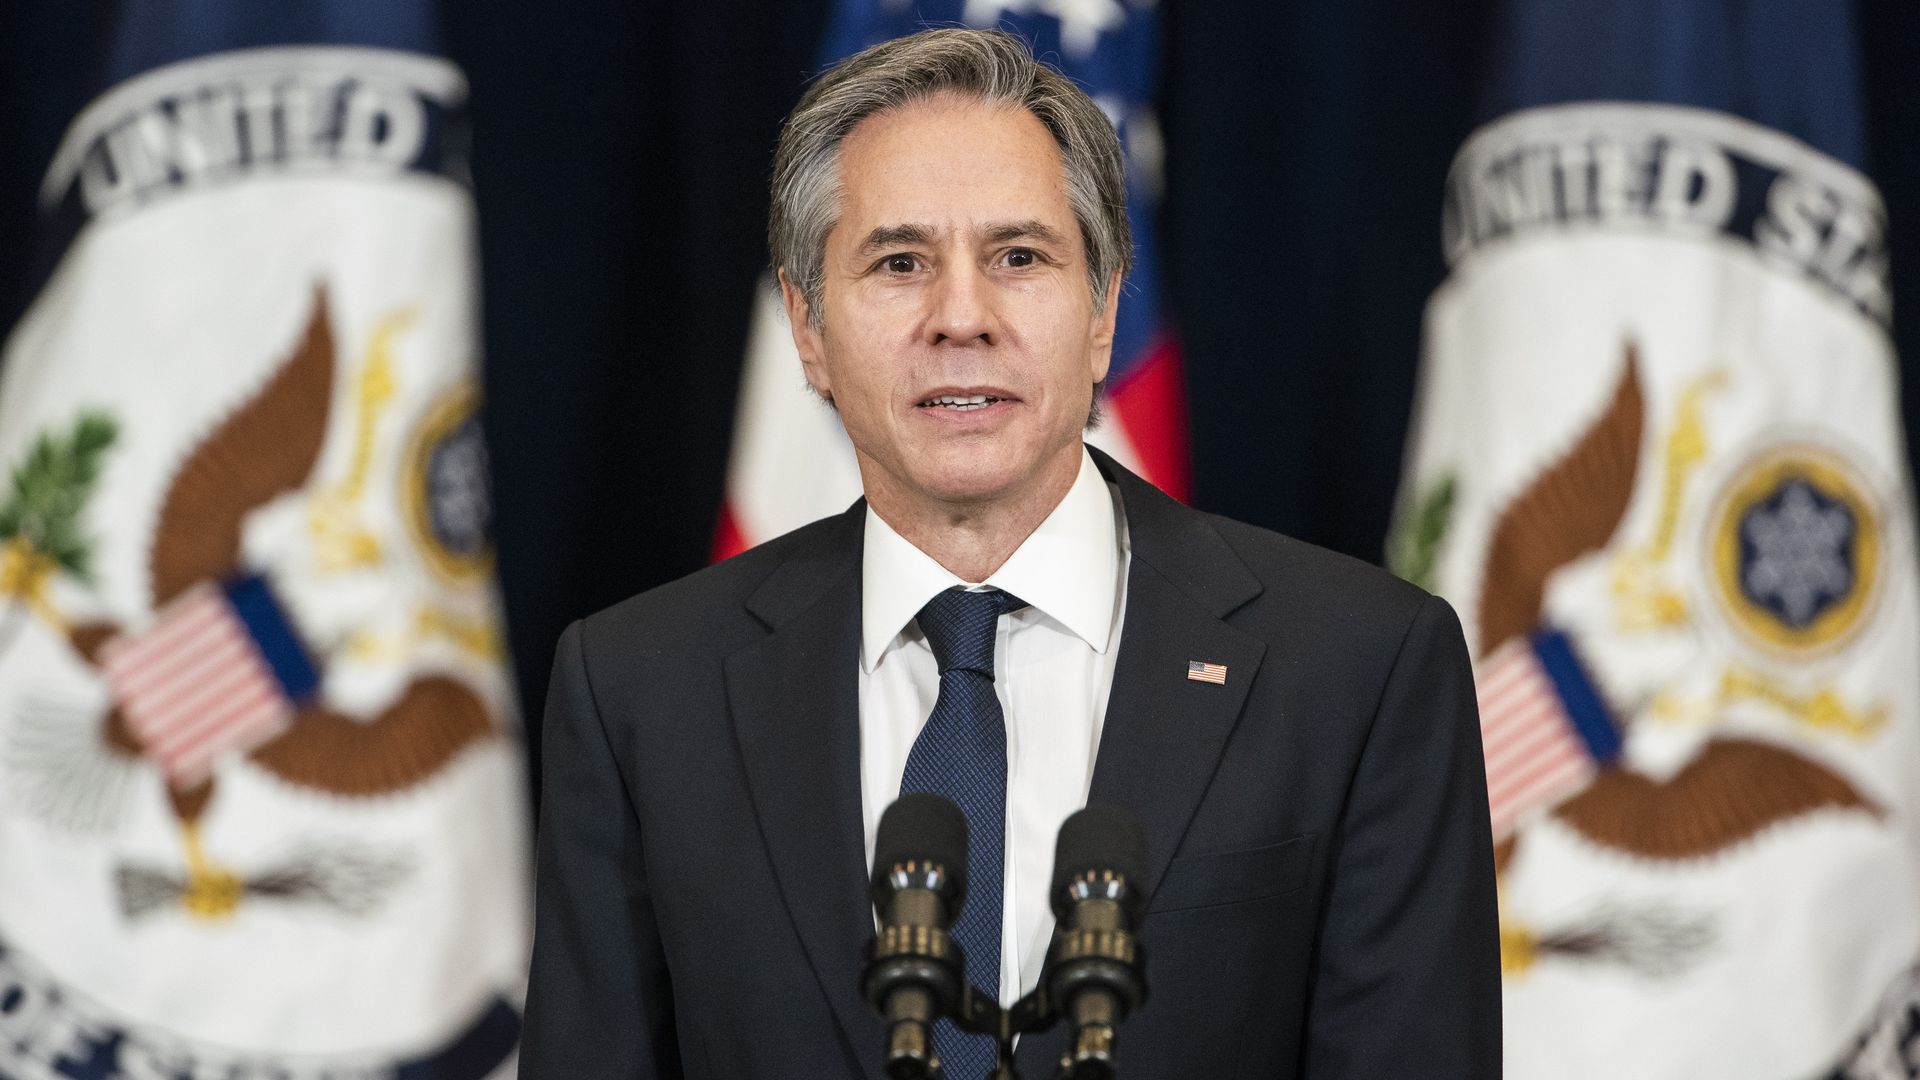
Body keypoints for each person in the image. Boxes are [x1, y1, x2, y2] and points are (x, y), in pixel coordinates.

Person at [521, 27, 1499, 1079]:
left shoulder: (1358, 670)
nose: (961, 319)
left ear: (1103, 312)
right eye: (900, 263)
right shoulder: (639, 690)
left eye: (1019, 258)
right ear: (807, 326)